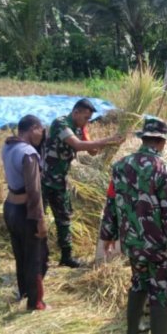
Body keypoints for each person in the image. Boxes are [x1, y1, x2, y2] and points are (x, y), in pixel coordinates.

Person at [100, 116, 167, 334]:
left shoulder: (120, 166)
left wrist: (107, 235)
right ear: (161, 141)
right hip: (158, 248)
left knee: (139, 282)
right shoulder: (164, 171)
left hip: (132, 242)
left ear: (144, 139)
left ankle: (134, 329)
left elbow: (111, 202)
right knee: (162, 290)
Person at [42, 98, 123, 267]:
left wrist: (113, 142)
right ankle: (39, 257)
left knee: (64, 218)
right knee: (39, 218)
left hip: (60, 180)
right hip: (44, 180)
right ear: (76, 112)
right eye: (85, 117)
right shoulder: (61, 123)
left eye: (89, 119)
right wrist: (108, 140)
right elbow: (78, 146)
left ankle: (66, 257)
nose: (87, 121)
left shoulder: (79, 128)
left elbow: (92, 151)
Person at [2, 115, 49, 311]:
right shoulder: (28, 153)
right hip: (25, 211)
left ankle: (24, 292)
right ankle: (35, 301)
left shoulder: (7, 146)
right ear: (33, 129)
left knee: (20, 254)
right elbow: (34, 191)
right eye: (41, 130)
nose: (42, 135)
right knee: (36, 257)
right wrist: (39, 219)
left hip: (10, 207)